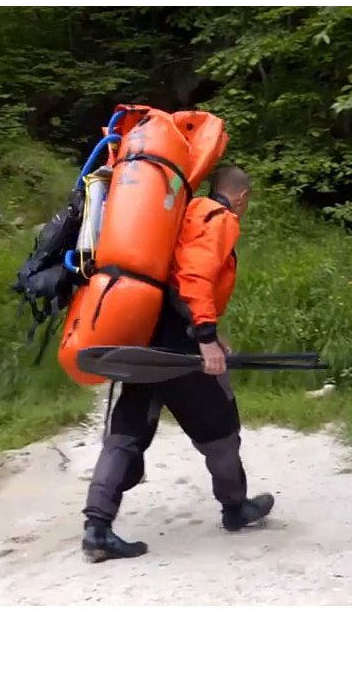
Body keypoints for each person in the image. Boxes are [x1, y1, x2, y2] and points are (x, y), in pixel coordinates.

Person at [81, 164, 275, 562]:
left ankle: (97, 528)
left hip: (143, 338)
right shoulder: (218, 218)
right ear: (241, 197)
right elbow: (195, 277)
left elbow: (173, 280)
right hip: (179, 348)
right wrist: (205, 338)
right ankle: (235, 508)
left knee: (127, 431)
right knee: (220, 428)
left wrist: (210, 332)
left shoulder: (183, 213)